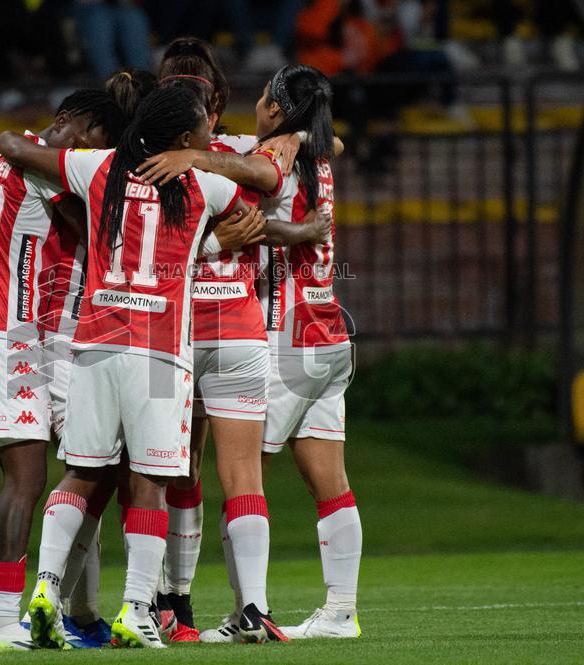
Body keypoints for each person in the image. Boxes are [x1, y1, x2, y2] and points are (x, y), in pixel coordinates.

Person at [0, 85, 256, 649]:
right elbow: (259, 200)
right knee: (152, 482)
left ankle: (43, 589)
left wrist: (21, 138)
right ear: (186, 140)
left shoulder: (98, 168)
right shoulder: (206, 183)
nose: (213, 137)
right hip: (161, 356)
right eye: (204, 133)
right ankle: (137, 610)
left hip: (93, 347)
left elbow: (15, 150)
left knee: (81, 473)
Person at [134, 36, 328, 644]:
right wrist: (290, 222)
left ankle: (171, 606)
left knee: (167, 469)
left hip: (168, 332)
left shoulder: (134, 161)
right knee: (243, 472)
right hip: (240, 329)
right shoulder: (246, 151)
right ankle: (254, 607)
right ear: (215, 105)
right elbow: (315, 150)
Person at [0, 89, 126, 653]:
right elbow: (100, 233)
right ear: (77, 124)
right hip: (1, 328)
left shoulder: (16, 153)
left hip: (0, 326)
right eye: (99, 141)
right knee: (25, 480)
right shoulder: (41, 163)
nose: (95, 156)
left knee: (44, 473)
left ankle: (14, 614)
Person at [255, 65, 362, 640]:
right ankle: (341, 612)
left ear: (275, 106)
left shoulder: (279, 156)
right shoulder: (317, 152)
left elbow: (255, 201)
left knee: (245, 471)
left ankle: (251, 610)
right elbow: (333, 139)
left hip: (289, 337)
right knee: (330, 480)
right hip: (328, 334)